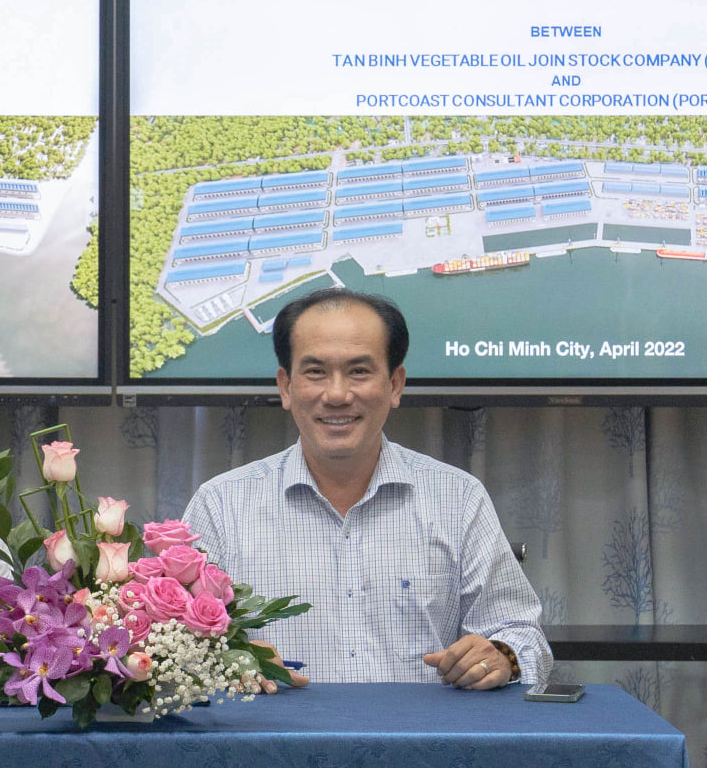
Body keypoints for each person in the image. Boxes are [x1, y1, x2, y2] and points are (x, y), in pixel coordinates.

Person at [182, 287, 551, 689]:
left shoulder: (458, 498)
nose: (337, 395)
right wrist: (229, 661)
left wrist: (500, 657)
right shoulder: (221, 505)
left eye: (359, 371)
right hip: (273, 745)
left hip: (421, 745)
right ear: (286, 387)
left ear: (395, 384)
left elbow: (522, 635)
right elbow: (171, 647)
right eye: (315, 372)